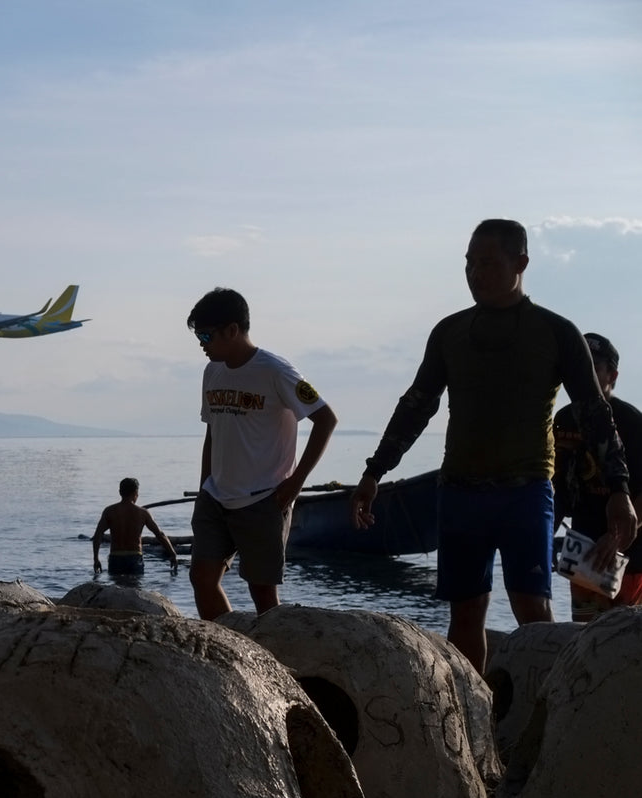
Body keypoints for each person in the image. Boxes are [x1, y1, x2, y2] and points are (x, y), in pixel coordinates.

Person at [351, 219, 636, 672]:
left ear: (520, 263)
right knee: (465, 616)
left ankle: (543, 725)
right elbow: (416, 406)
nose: (474, 272)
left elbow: (595, 414)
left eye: (487, 263)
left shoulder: (557, 332)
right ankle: (470, 721)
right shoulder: (450, 333)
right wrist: (373, 473)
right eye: (469, 262)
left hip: (524, 493)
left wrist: (619, 490)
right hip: (459, 492)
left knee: (534, 615)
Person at [186, 288, 337, 620]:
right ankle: (227, 651)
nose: (202, 343)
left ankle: (275, 664)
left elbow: (326, 419)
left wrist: (295, 484)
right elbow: (212, 431)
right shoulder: (212, 372)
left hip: (264, 497)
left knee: (262, 591)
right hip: (216, 495)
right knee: (202, 578)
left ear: (233, 330)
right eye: (198, 336)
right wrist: (203, 487)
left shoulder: (277, 371)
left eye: (207, 335)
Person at [553, 332, 642, 621]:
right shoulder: (563, 420)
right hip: (582, 553)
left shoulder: (632, 422)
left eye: (594, 367)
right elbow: (560, 488)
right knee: (583, 637)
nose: (583, 374)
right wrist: (543, 535)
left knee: (623, 641)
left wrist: (615, 539)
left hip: (629, 556)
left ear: (612, 374)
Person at [92, 477, 177, 580]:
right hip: (134, 558)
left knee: (116, 591)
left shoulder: (109, 511)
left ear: (120, 492)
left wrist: (96, 558)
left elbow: (98, 535)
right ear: (136, 492)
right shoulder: (142, 513)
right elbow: (160, 534)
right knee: (136, 590)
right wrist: (172, 553)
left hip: (116, 557)